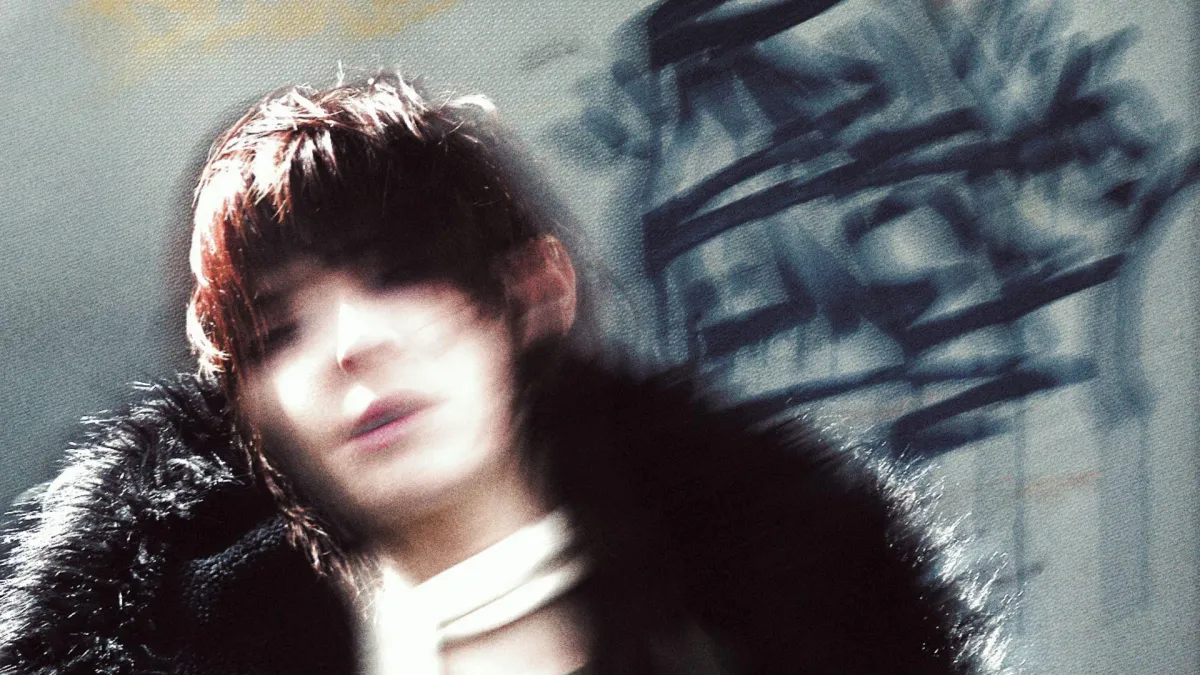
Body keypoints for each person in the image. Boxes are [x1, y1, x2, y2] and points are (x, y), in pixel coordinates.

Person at [0, 73, 1008, 675]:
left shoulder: (789, 602)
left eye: (396, 275)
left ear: (533, 294)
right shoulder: (193, 647)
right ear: (249, 407)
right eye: (278, 330)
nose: (350, 344)